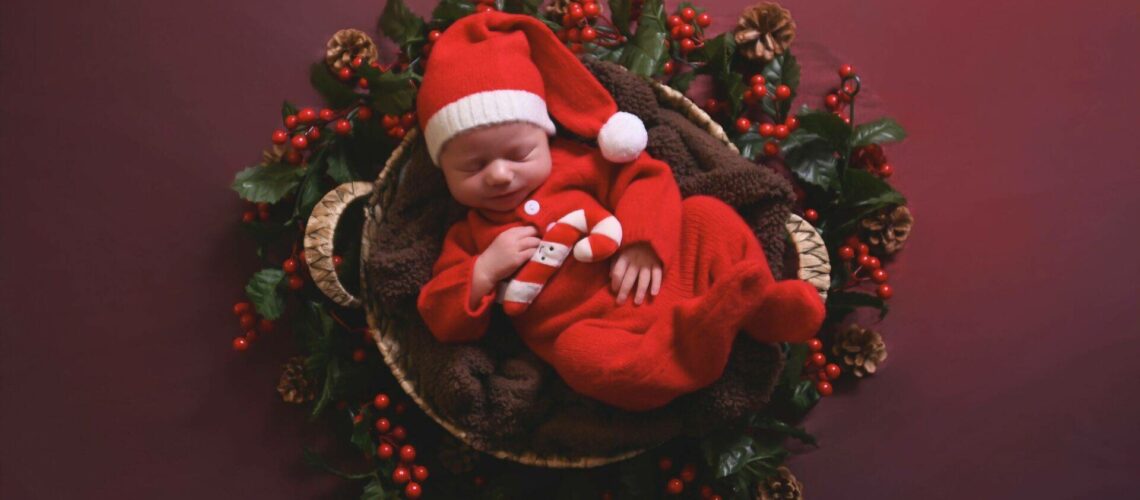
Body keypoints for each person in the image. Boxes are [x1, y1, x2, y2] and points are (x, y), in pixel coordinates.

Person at [415, 11, 824, 411]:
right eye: (473, 167)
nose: (500, 175)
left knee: (704, 215)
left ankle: (760, 305)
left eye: (519, 154)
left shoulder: (575, 164)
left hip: (667, 275)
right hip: (608, 334)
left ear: (545, 134)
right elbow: (439, 314)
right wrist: (485, 270)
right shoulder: (469, 236)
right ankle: (699, 343)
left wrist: (641, 241)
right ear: (443, 170)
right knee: (579, 359)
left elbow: (644, 177)